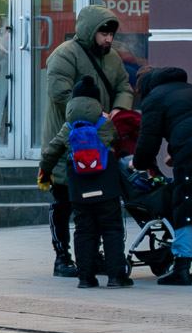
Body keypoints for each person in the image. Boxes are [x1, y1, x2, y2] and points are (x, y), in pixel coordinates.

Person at [42, 5, 135, 277]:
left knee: (95, 203)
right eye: (103, 33)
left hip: (100, 145)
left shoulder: (113, 58)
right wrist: (98, 114)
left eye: (111, 34)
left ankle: (92, 257)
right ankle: (62, 257)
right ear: (89, 31)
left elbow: (123, 87)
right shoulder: (64, 56)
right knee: (63, 201)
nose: (108, 39)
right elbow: (62, 95)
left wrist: (118, 110)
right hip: (69, 140)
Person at [40, 77, 130, 288]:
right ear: (97, 101)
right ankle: (117, 277)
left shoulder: (68, 127)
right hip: (105, 185)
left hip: (79, 187)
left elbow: (50, 153)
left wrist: (45, 172)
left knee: (84, 230)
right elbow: (115, 139)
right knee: (112, 228)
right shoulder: (104, 123)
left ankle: (85, 278)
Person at [133, 66, 192, 286]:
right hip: (186, 150)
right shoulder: (188, 89)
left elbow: (148, 140)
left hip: (188, 152)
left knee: (186, 205)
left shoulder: (154, 99)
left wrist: (138, 163)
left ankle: (182, 267)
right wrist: (175, 154)